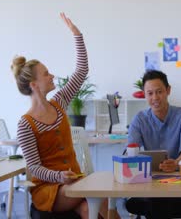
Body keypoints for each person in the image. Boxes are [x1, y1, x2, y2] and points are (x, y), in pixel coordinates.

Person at [13, 13, 109, 218]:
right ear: (34, 84)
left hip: (74, 181)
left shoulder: (59, 102)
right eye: (46, 73)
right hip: (49, 189)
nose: (52, 76)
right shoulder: (25, 124)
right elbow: (34, 168)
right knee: (97, 195)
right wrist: (58, 176)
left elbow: (82, 70)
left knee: (91, 207)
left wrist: (77, 35)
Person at [125, 70, 181, 219]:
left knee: (158, 205)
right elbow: (131, 150)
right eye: (150, 93)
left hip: (180, 180)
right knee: (154, 202)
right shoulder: (139, 119)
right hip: (151, 182)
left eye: (159, 92)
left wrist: (175, 163)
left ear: (168, 90)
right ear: (144, 94)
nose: (155, 98)